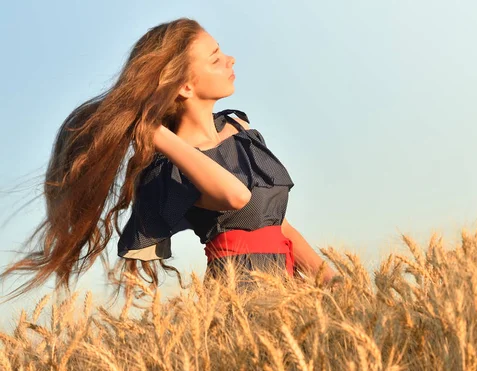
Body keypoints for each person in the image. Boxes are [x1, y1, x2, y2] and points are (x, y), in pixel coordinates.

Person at [0, 17, 337, 301]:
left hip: (290, 286)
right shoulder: (171, 168)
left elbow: (278, 223)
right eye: (215, 58)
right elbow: (236, 196)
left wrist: (331, 280)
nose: (231, 59)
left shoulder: (240, 129)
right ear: (185, 87)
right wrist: (153, 132)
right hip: (240, 295)